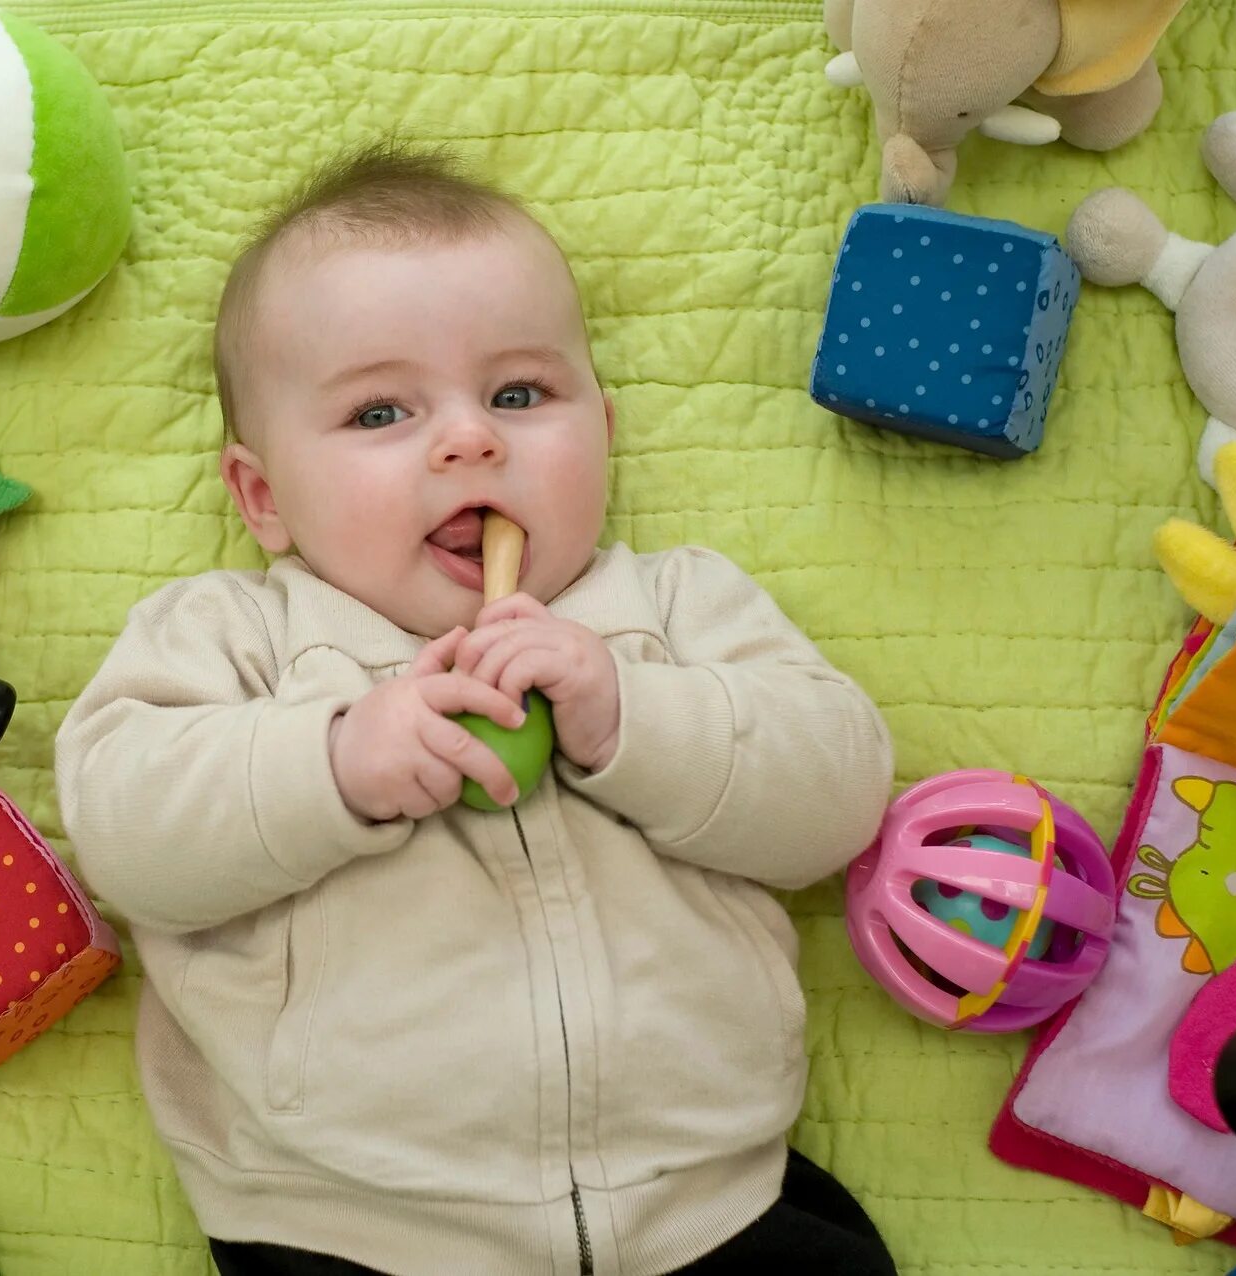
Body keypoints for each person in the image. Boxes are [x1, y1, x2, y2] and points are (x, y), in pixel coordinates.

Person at [55, 139, 897, 1276]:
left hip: (708, 1195)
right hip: (346, 1217)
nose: (470, 437)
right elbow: (127, 834)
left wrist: (629, 720)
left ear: (604, 428)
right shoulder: (233, 639)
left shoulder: (672, 609)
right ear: (264, 497)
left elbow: (837, 796)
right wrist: (337, 764)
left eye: (518, 393)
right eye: (378, 414)